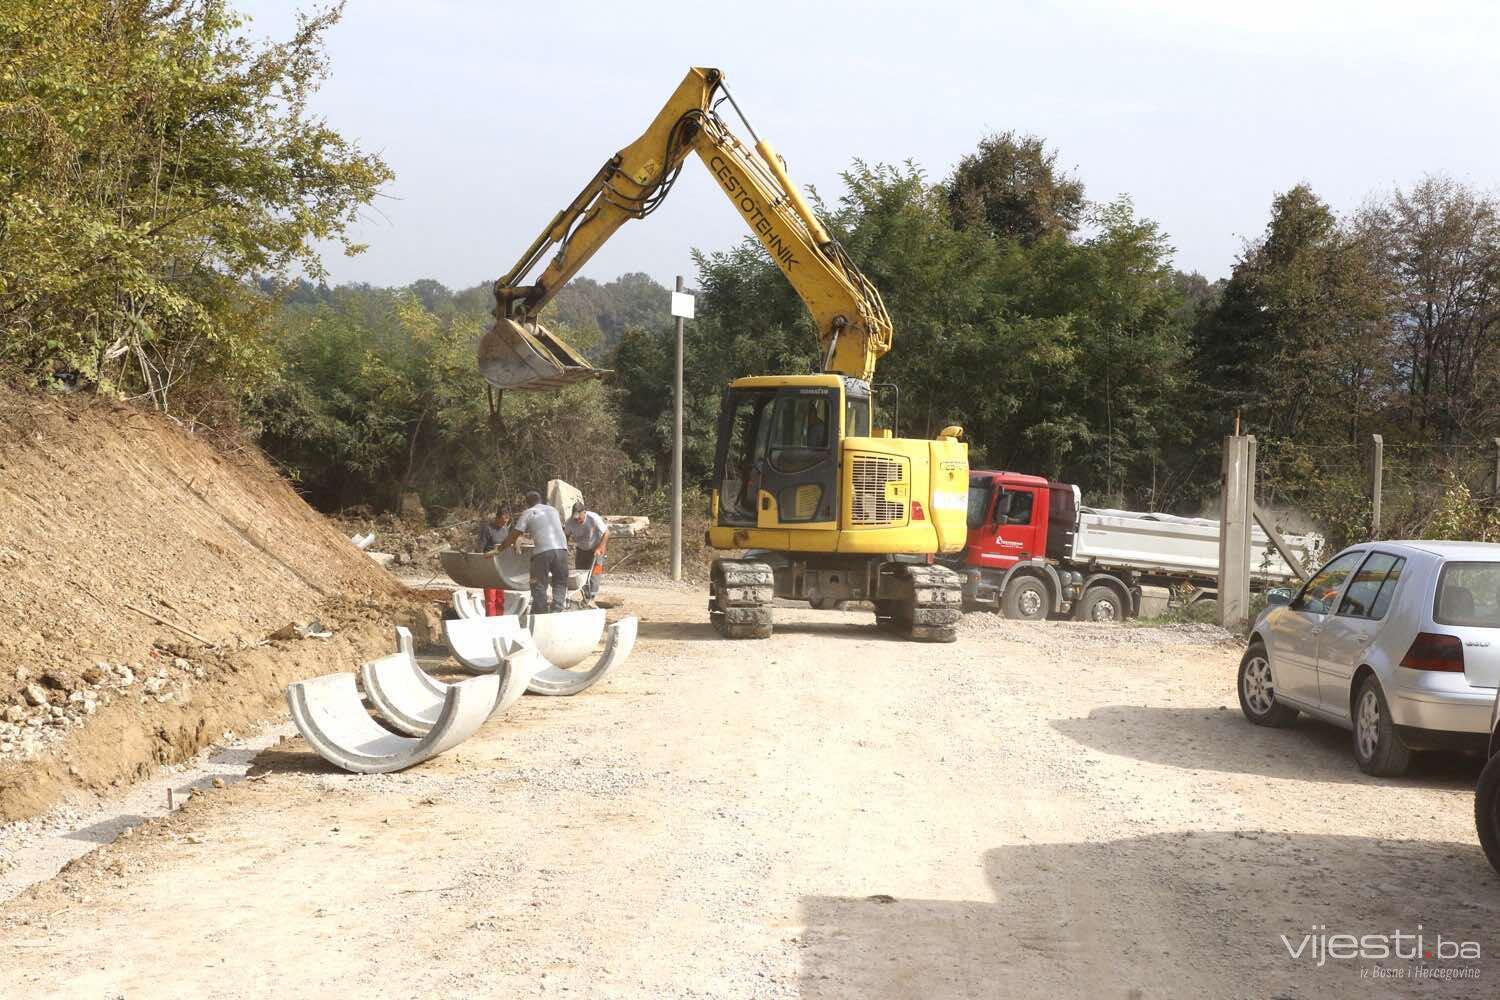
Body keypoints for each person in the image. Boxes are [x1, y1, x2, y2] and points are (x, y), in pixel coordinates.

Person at [499, 490, 569, 613]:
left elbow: (515, 534)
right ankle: (557, 609)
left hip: (543, 552)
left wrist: (500, 548)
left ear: (527, 503)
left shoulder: (528, 512)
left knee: (538, 584)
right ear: (541, 500)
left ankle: (540, 612)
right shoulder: (553, 510)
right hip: (562, 550)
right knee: (560, 580)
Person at [564, 500, 609, 606]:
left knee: (596, 572)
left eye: (579, 518)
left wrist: (601, 547)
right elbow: (565, 535)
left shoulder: (593, 518)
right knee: (581, 574)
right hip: (581, 550)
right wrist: (564, 548)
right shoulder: (570, 522)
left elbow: (607, 533)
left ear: (584, 512)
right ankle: (586, 597)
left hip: (596, 549)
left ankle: (592, 597)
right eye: (576, 518)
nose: (578, 520)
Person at [475, 506, 510, 617]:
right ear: (497, 518)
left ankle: (499, 620)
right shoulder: (487, 529)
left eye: (506, 521)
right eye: (502, 521)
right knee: (491, 599)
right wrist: (479, 563)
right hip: (489, 566)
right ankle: (490, 622)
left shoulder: (505, 529)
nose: (504, 523)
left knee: (500, 598)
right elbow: (480, 548)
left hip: (501, 567)